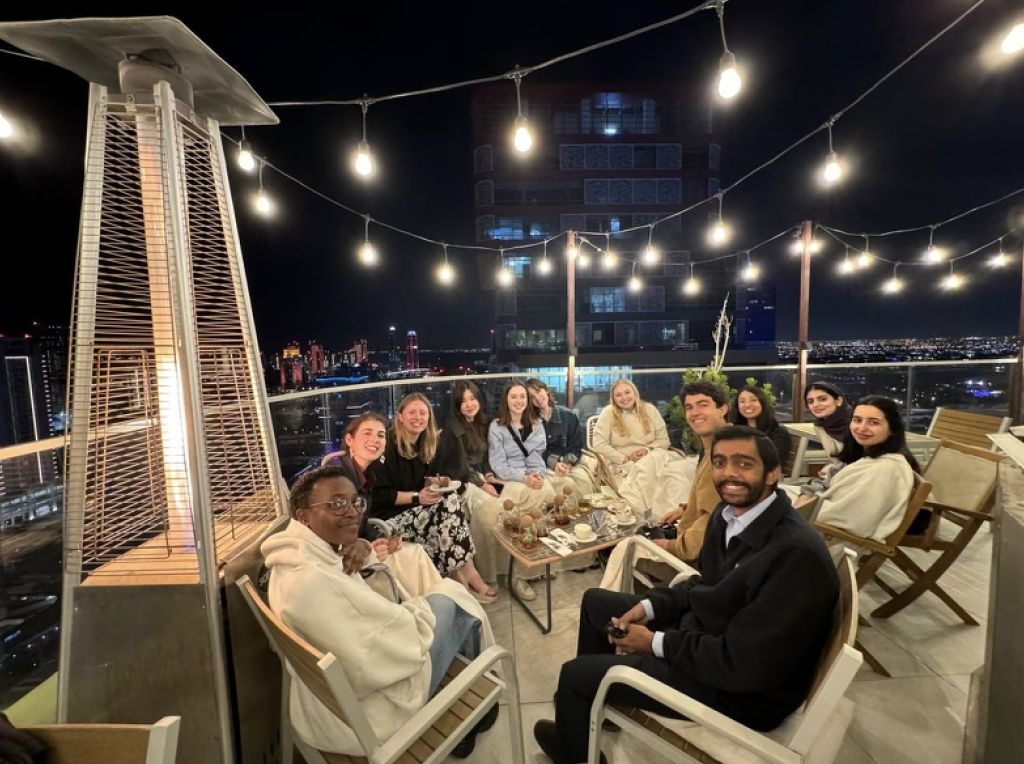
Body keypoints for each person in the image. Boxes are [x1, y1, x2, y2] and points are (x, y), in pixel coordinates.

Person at [533, 426, 839, 764]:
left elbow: (744, 665)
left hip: (740, 691)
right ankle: (595, 708)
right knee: (596, 602)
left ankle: (573, 746)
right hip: (712, 635)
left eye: (744, 464)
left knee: (576, 673)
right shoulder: (730, 519)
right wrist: (649, 607)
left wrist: (655, 643)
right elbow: (706, 584)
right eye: (720, 463)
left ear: (773, 473)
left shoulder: (794, 557)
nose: (729, 474)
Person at [263, 466, 497, 758]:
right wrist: (419, 606)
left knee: (442, 598)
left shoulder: (291, 560)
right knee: (453, 599)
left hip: (324, 704)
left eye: (355, 502)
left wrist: (360, 543)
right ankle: (477, 708)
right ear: (303, 516)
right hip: (373, 715)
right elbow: (406, 639)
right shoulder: (317, 582)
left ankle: (473, 700)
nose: (351, 512)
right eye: (336, 504)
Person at [598, 380, 728, 589]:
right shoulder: (711, 450)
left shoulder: (724, 456)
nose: (695, 413)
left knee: (624, 548)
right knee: (664, 476)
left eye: (703, 405)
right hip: (624, 462)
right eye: (689, 407)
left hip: (698, 557)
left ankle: (624, 608)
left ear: (723, 409)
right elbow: (714, 504)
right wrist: (684, 510)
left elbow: (712, 517)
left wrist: (674, 546)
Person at [370, 393, 497, 602]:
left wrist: (432, 483)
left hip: (414, 511)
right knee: (449, 506)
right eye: (412, 412)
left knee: (450, 498)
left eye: (423, 413)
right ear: (400, 416)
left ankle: (461, 571)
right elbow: (380, 495)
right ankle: (464, 572)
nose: (418, 417)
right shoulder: (388, 446)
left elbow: (417, 483)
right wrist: (416, 497)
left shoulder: (424, 444)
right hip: (389, 519)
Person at [441, 381, 538, 600]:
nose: (469, 405)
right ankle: (490, 570)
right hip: (463, 482)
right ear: (456, 405)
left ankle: (521, 566)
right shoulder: (454, 429)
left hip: (484, 476)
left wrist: (491, 475)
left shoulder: (484, 423)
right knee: (494, 511)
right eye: (463, 401)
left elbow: (489, 457)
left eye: (472, 399)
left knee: (519, 497)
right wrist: (482, 482)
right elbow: (459, 467)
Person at [796, 395, 926, 540]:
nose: (862, 428)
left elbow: (847, 518)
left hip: (828, 537)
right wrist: (805, 495)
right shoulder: (864, 455)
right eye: (857, 420)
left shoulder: (885, 469)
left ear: (892, 429)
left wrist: (799, 510)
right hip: (822, 507)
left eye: (873, 422)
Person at [591, 379, 688, 513]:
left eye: (627, 392)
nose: (624, 398)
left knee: (673, 475)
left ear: (634, 392)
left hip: (652, 455)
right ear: (613, 398)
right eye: (618, 395)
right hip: (625, 462)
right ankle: (649, 514)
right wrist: (624, 458)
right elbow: (598, 444)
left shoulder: (650, 409)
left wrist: (647, 450)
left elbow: (664, 440)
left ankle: (670, 513)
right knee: (644, 474)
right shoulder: (608, 413)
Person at [488, 380, 556, 512]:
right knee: (535, 496)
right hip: (509, 478)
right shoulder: (496, 427)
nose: (518, 401)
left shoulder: (537, 425)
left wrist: (538, 476)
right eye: (513, 397)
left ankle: (545, 531)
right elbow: (498, 465)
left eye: (522, 396)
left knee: (549, 495)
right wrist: (523, 478)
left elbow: (538, 457)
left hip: (532, 474)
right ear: (506, 400)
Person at [524, 378, 594, 495]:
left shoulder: (568, 415)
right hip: (544, 465)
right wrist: (554, 464)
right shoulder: (530, 422)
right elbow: (534, 451)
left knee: (584, 482)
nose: (537, 398)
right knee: (565, 484)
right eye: (531, 397)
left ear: (546, 390)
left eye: (538, 391)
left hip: (569, 463)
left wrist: (568, 464)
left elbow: (576, 446)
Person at [729, 385, 792, 465]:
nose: (747, 405)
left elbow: (774, 463)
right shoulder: (734, 431)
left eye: (753, 400)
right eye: (742, 401)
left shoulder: (778, 432)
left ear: (762, 403)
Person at [804, 381, 853, 461]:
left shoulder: (857, 423)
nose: (815, 405)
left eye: (822, 399)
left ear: (838, 401)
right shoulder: (820, 427)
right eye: (810, 401)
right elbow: (836, 460)